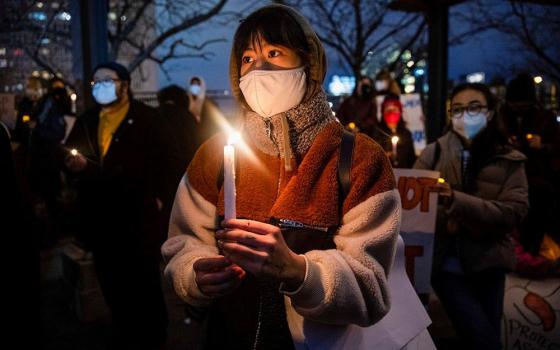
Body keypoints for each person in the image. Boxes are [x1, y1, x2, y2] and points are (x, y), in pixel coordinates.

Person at [162, 5, 434, 350]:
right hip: (231, 335)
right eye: (247, 59)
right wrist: (195, 273)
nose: (258, 68)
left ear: (309, 63)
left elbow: (371, 287)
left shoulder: (360, 159)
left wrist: (299, 272)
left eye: (274, 53)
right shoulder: (213, 156)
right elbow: (182, 244)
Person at [414, 83, 529, 350]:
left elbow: (514, 212)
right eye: (458, 109)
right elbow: (415, 207)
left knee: (486, 335)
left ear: (489, 113)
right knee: (483, 339)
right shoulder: (434, 153)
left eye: (474, 107)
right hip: (447, 266)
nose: (466, 115)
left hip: (489, 263)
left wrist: (456, 201)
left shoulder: (509, 160)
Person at [64, 62, 169, 349]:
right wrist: (72, 164)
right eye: (96, 82)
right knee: (111, 284)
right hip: (100, 221)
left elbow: (166, 163)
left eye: (107, 81)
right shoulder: (87, 119)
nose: (101, 86)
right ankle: (124, 334)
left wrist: (159, 200)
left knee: (144, 286)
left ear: (124, 84)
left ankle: (153, 337)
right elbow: (68, 153)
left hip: (138, 220)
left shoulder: (148, 119)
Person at [501, 74, 560, 256]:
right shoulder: (500, 117)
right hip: (506, 174)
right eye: (515, 106)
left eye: (523, 106)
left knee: (540, 202)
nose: (518, 110)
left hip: (537, 176)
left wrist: (541, 145)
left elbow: (557, 146)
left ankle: (534, 249)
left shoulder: (544, 117)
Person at [372, 94, 416, 168]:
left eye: (394, 110)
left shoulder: (406, 134)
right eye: (388, 110)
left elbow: (411, 160)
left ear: (400, 112)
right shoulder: (376, 133)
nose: (391, 113)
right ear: (383, 113)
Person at [187, 75, 220, 147]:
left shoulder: (210, 103)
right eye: (193, 84)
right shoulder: (186, 102)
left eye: (197, 84)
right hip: (190, 138)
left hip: (204, 137)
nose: (195, 87)